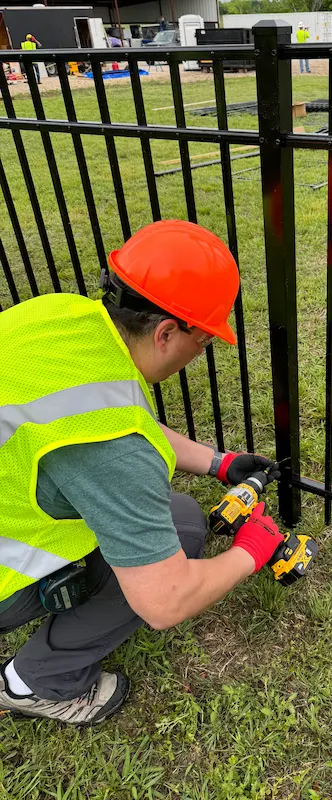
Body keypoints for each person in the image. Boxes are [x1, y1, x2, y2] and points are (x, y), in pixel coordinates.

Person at [0, 220, 285, 725]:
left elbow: (106, 416)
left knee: (182, 517)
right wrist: (251, 552)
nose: (200, 354)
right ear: (167, 332)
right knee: (173, 542)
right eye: (204, 342)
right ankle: (34, 684)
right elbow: (165, 601)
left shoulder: (61, 316)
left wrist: (219, 462)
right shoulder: (111, 452)